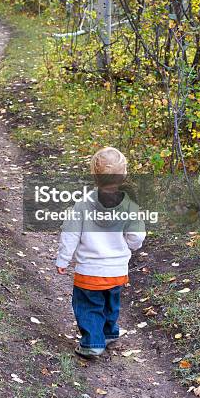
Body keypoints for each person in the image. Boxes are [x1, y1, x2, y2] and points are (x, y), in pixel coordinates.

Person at [55, 146, 146, 357]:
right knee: (110, 301)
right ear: (123, 176)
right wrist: (131, 246)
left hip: (89, 270)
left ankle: (92, 343)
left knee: (88, 305)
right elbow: (137, 237)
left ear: (94, 176)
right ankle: (109, 332)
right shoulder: (130, 207)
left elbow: (70, 234)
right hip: (116, 269)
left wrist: (63, 259)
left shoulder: (82, 206)